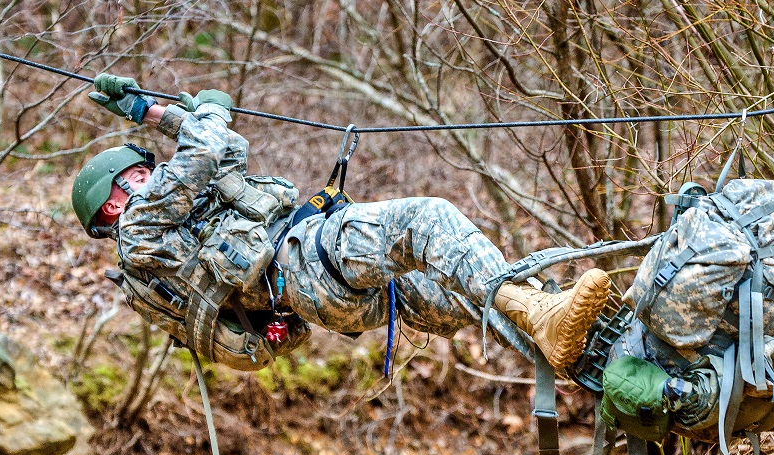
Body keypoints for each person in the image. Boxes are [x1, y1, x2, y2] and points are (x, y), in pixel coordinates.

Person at [71, 73, 611, 371]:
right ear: (113, 204)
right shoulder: (140, 227)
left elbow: (227, 154)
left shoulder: (167, 227)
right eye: (140, 174)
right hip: (303, 262)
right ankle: (545, 315)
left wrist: (157, 112)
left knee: (462, 289)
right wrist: (199, 114)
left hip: (319, 294)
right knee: (426, 220)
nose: (154, 173)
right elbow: (210, 143)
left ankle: (594, 345)